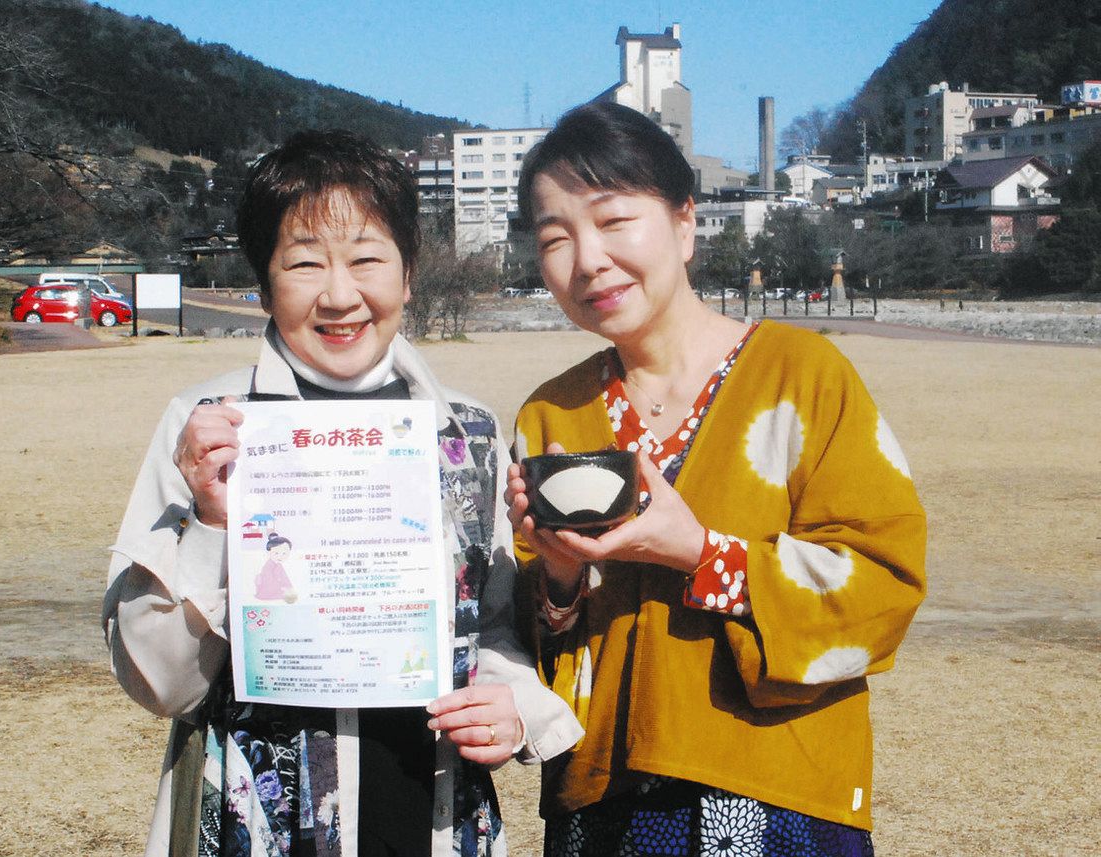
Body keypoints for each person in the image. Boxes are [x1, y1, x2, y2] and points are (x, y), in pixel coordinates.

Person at [103, 129, 582, 857]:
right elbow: (160, 682)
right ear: (264, 283)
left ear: (408, 272)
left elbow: (493, 629)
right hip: (257, 825)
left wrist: (511, 705)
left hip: (434, 812)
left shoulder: (468, 433)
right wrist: (208, 520)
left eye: (366, 259)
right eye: (303, 263)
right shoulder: (209, 428)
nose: (339, 294)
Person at [503, 102, 926, 856]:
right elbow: (533, 644)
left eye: (612, 220)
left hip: (775, 790)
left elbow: (884, 583)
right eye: (555, 238)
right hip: (601, 804)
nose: (587, 259)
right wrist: (560, 578)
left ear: (685, 222)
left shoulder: (803, 375)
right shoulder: (550, 414)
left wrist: (702, 552)